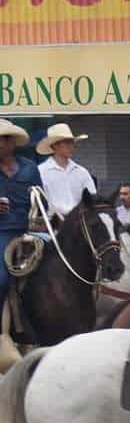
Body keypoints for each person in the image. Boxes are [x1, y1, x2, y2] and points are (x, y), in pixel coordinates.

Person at [0, 119, 42, 302]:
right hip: (3, 231)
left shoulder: (30, 168)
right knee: (1, 280)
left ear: (10, 143)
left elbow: (43, 201)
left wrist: (38, 209)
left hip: (31, 229)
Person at [36, 122, 96, 217]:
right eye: (67, 143)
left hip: (80, 222)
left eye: (72, 143)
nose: (71, 146)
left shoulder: (82, 172)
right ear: (55, 146)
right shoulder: (41, 172)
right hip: (52, 224)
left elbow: (92, 198)